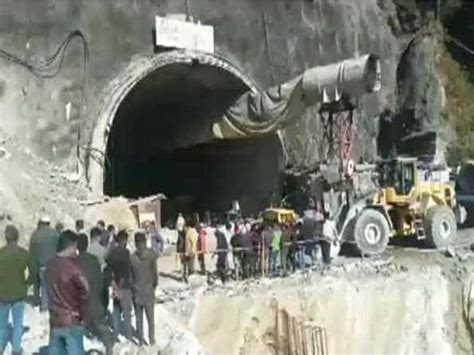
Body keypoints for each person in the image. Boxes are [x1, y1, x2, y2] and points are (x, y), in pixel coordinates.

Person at [47, 230, 89, 354]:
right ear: (70, 246)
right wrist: (82, 309)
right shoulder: (73, 268)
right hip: (71, 320)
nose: (76, 251)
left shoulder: (50, 265)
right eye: (75, 247)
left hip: (54, 320)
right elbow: (86, 289)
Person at [77, 233, 113, 354]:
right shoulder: (93, 259)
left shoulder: (74, 261)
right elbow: (99, 278)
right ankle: (109, 347)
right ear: (87, 245)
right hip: (95, 296)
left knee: (78, 328)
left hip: (81, 299)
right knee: (101, 324)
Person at [0, 225, 31, 355]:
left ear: (5, 238)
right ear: (17, 238)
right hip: (19, 292)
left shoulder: (1, 253)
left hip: (3, 293)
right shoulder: (23, 253)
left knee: (2, 324)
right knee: (18, 323)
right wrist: (27, 283)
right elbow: (33, 270)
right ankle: (16, 348)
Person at [105, 230, 133, 341]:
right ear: (124, 240)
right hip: (125, 286)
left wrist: (114, 284)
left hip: (115, 284)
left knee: (116, 311)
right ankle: (129, 336)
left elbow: (107, 264)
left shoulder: (112, 252)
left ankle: (115, 334)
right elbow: (127, 270)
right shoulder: (126, 253)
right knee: (126, 313)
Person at [130, 232, 158, 346]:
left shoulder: (132, 258)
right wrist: (154, 285)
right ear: (145, 242)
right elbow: (155, 275)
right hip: (149, 291)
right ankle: (151, 340)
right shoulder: (151, 256)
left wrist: (133, 289)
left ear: (136, 243)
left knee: (139, 318)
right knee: (150, 319)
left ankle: (141, 341)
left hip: (137, 292)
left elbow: (130, 276)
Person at [29, 215, 60, 311]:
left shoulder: (35, 235)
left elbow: (32, 252)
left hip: (38, 264)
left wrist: (31, 266)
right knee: (47, 287)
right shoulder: (55, 234)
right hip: (51, 265)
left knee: (37, 285)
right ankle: (45, 307)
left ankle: (37, 302)